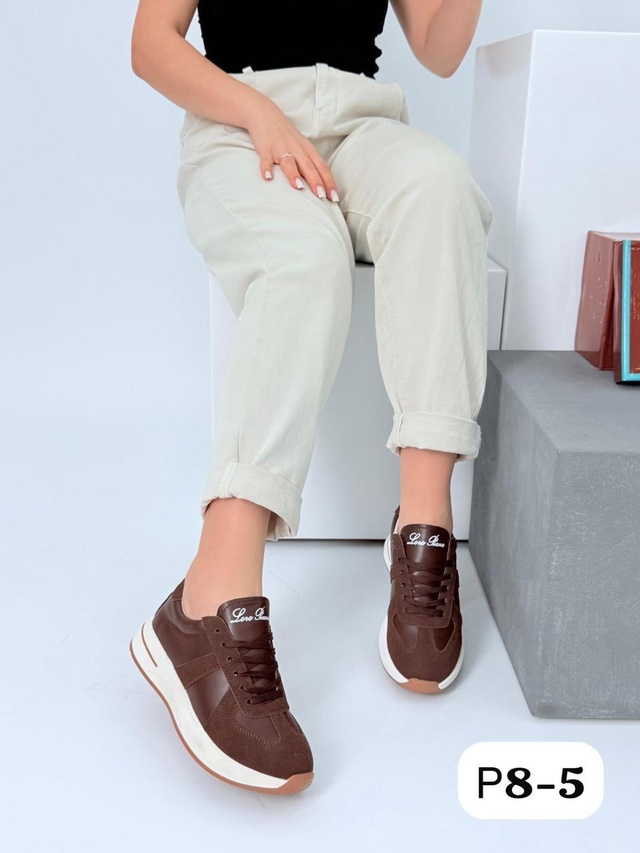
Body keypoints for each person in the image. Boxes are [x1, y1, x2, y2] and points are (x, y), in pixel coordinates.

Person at [129, 0, 493, 795]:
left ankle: (425, 529)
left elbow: (437, 48)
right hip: (238, 124)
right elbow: (151, 44)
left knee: (441, 188)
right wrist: (257, 112)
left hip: (362, 126)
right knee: (305, 259)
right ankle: (207, 598)